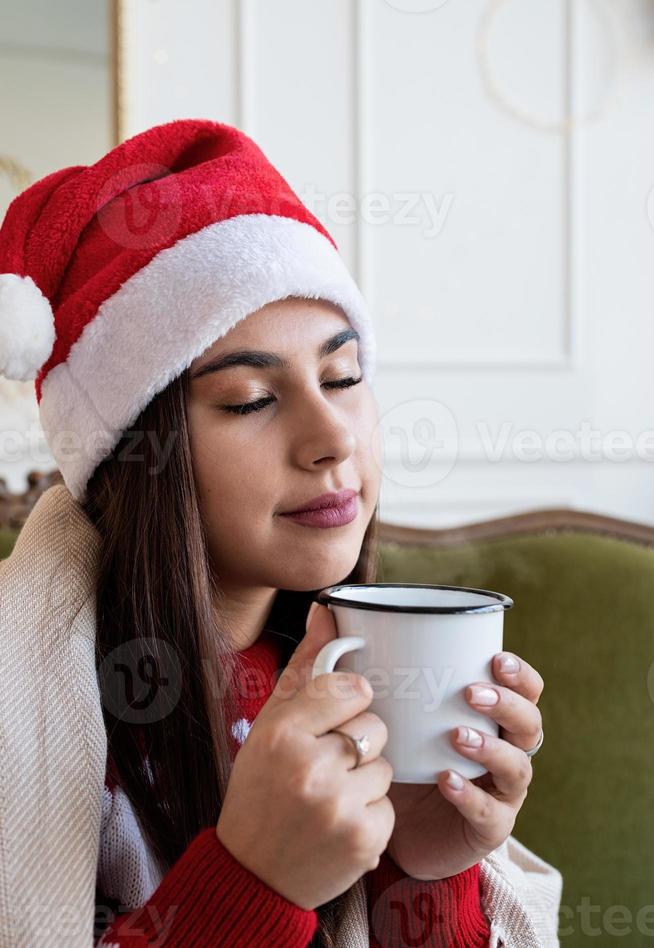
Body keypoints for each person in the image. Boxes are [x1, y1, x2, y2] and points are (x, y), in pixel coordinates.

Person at [0, 118, 562, 947]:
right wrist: (251, 885)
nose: (332, 436)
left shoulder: (362, 682)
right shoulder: (39, 705)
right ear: (137, 454)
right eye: (250, 401)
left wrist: (426, 873)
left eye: (343, 376)